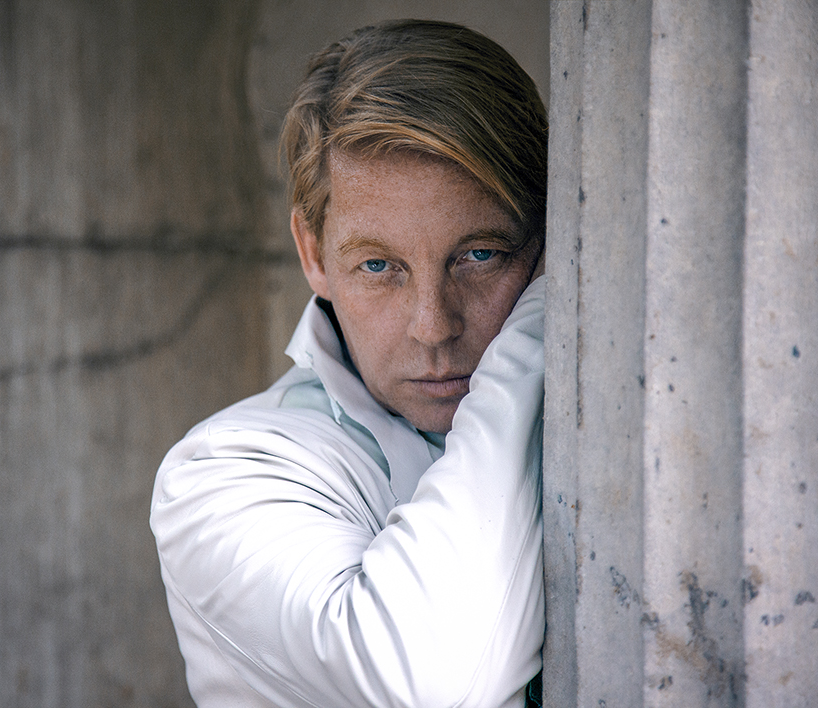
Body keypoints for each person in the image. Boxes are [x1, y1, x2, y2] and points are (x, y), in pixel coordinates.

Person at [151, 19, 548, 708]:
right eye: (378, 266)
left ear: (544, 238)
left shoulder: (599, 418)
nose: (433, 326)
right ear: (313, 254)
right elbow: (426, 680)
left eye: (480, 255)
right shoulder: (222, 475)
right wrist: (546, 315)